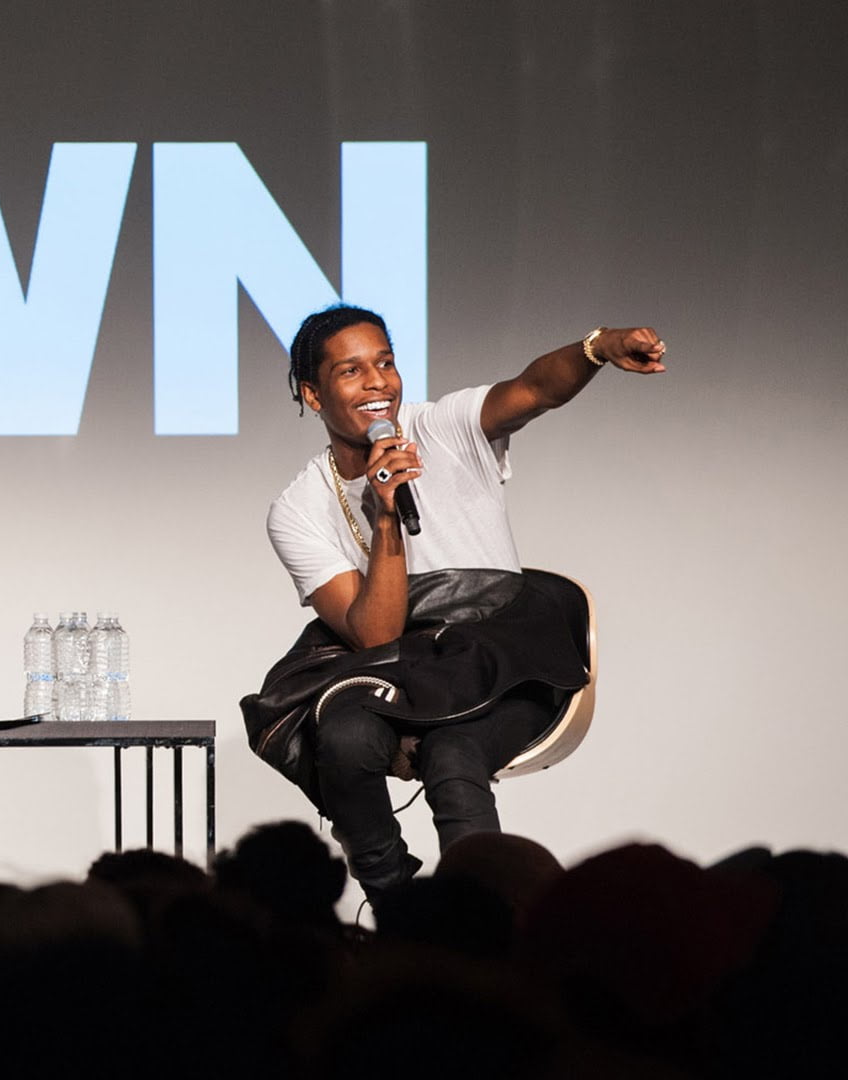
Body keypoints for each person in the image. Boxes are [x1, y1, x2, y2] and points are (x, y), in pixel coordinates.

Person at [242, 305, 665, 907]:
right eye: (351, 371)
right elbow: (376, 635)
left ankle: (482, 925)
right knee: (344, 739)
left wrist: (597, 348)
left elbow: (535, 389)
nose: (378, 383)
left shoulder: (443, 427)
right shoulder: (298, 509)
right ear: (313, 394)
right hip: (399, 665)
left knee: (454, 753)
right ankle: (395, 909)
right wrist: (385, 518)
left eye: (385, 363)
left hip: (503, 659)